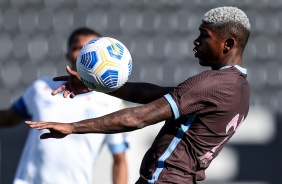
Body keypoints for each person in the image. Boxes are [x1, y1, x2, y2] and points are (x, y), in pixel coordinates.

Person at [26, 6, 251, 184]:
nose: (197, 41)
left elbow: (137, 118)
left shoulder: (210, 84)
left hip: (163, 179)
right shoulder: (240, 88)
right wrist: (97, 84)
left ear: (228, 43)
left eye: (204, 35)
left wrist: (72, 127)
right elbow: (154, 94)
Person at [0, 27, 129, 184]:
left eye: (89, 48)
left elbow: (119, 160)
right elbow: (6, 118)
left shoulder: (112, 103)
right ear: (68, 55)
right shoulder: (41, 88)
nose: (84, 53)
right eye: (77, 48)